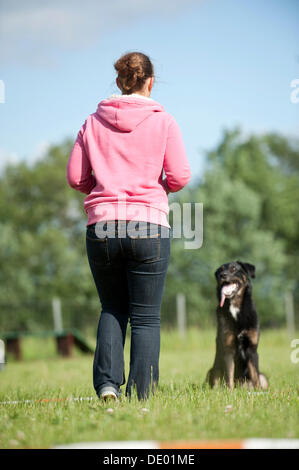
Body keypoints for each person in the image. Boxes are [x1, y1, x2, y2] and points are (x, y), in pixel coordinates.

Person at [66, 51, 191, 401]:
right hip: (149, 224)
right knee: (146, 318)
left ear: (120, 82)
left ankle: (107, 385)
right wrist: (155, 188)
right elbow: (180, 176)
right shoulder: (164, 121)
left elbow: (76, 177)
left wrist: (104, 190)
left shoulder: (92, 122)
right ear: (150, 82)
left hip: (103, 226)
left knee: (112, 308)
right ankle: (142, 396)